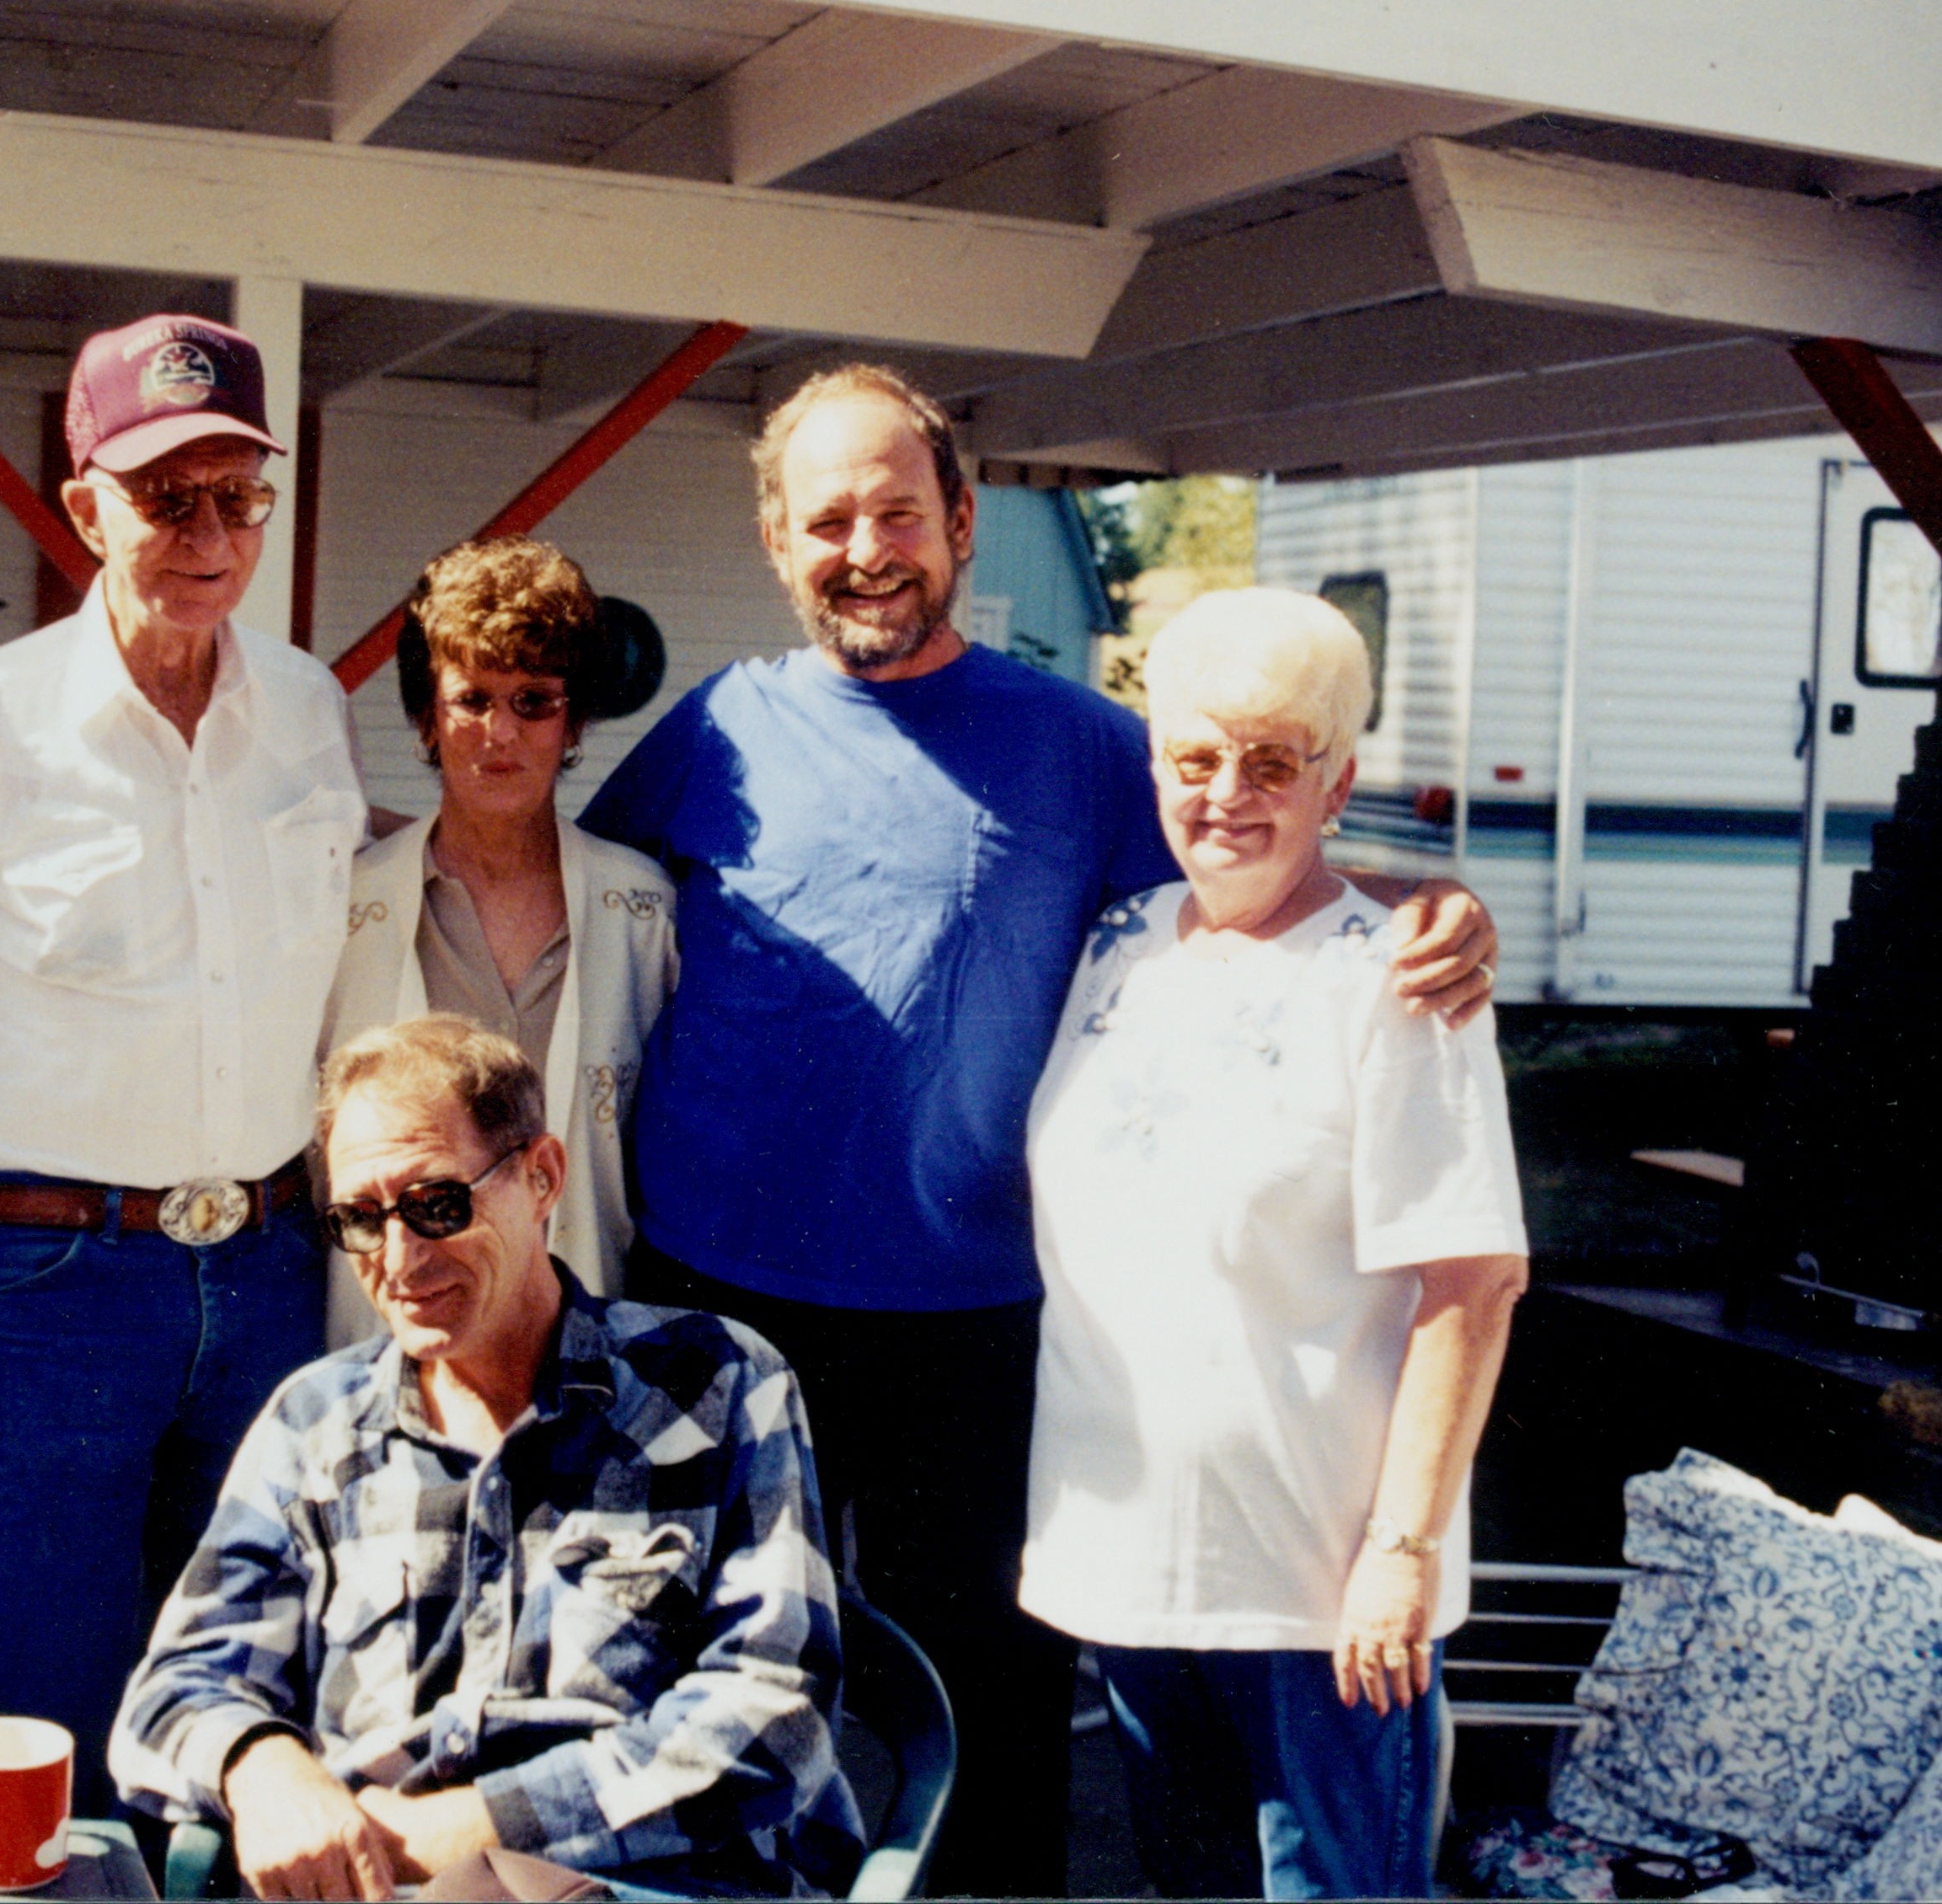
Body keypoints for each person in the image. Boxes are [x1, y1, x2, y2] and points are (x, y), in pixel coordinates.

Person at [578, 363, 1499, 1896]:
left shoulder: (1082, 745)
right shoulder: (714, 729)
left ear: (960, 521)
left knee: (985, 1727)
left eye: (896, 512)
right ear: (776, 540)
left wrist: (1434, 902)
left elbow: (1253, 858)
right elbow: (558, 887)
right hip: (713, 1303)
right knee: (685, 1686)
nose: (863, 550)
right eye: (825, 521)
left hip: (970, 1321)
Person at [0, 313, 367, 1811]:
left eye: (236, 498)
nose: (208, 536)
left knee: (255, 1674)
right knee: (51, 1696)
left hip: (270, 1269)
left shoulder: (309, 711)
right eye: (164, 497)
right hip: (59, 1287)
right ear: (83, 508)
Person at [1018, 587, 1528, 1900]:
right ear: (1153, 767)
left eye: (1271, 762)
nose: (1225, 795)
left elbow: (1471, 1280)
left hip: (1318, 1591)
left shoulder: (1396, 980)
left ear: (1335, 782)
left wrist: (1400, 1553)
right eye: (1194, 758)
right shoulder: (1117, 946)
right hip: (1132, 1570)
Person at [111, 1015, 862, 1901]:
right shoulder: (317, 1422)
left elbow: (774, 1715)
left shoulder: (713, 1381)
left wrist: (468, 1829)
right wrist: (263, 1767)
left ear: (542, 1176)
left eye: (436, 1204)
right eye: (359, 1220)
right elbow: (172, 1692)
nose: (399, 1260)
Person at [320, 537, 677, 1345]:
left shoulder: (643, 913)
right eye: (471, 698)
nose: (499, 733)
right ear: (425, 717)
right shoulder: (346, 909)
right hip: (391, 1331)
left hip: (585, 1336)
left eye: (533, 701)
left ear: (574, 720)